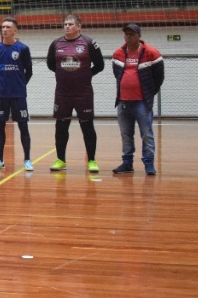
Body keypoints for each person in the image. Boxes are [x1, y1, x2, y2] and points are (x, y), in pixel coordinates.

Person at [47, 13, 106, 172]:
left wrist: (85, 75)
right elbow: (51, 65)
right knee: (61, 127)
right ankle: (60, 160)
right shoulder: (56, 44)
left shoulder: (89, 43)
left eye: (70, 24)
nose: (67, 26)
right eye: (65, 24)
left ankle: (92, 160)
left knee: (87, 126)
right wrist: (66, 74)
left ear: (79, 26)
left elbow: (100, 65)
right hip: (62, 93)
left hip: (83, 93)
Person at [113, 23, 164, 176]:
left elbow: (159, 78)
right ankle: (127, 163)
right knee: (126, 134)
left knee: (146, 134)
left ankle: (149, 164)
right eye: (126, 34)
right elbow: (117, 75)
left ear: (138, 36)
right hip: (123, 102)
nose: (128, 37)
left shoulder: (152, 53)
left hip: (142, 102)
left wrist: (148, 94)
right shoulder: (118, 54)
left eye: (131, 34)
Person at [0, 17, 34, 172]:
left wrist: (19, 85)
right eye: (3, 27)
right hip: (1, 95)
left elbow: (29, 71)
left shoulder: (23, 49)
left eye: (8, 27)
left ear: (15, 30)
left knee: (23, 126)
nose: (5, 30)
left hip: (18, 95)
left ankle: (27, 159)